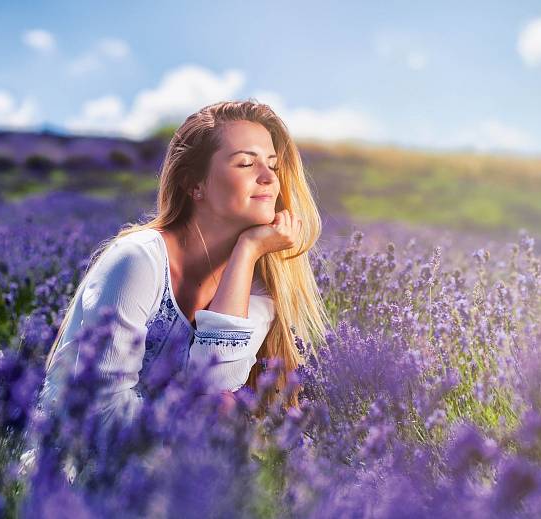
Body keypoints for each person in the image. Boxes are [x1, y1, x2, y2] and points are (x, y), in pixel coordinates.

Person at [17, 99, 331, 483]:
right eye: (247, 163)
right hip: (71, 482)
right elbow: (100, 417)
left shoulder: (257, 282)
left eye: (272, 164)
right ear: (194, 184)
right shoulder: (137, 261)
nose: (268, 177)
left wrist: (248, 252)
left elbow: (214, 383)